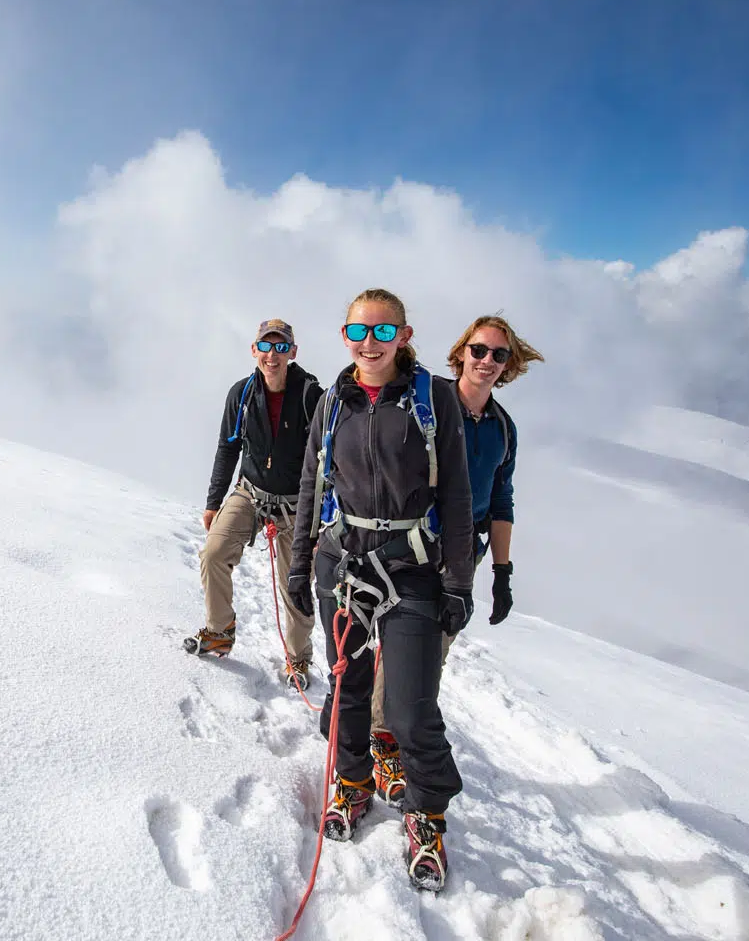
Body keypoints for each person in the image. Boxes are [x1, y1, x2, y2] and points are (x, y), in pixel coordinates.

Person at [286, 289, 474, 892]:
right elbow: (313, 482)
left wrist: (458, 583)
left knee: (409, 706)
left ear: (405, 336)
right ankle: (353, 780)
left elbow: (459, 497)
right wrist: (299, 562)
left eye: (383, 333)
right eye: (358, 332)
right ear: (345, 336)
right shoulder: (332, 403)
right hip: (343, 564)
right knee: (347, 689)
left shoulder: (434, 399)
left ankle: (426, 812)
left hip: (413, 567)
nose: (370, 343)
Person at [365, 314, 545, 810]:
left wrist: (502, 573)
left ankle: (389, 736)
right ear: (461, 352)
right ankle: (377, 737)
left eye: (498, 355)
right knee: (399, 649)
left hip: (459, 558)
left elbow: (501, 499)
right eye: (479, 350)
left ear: (509, 366)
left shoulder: (502, 429)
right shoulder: (425, 402)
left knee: (428, 657)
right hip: (404, 544)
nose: (487, 361)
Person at [186, 319, 325, 692]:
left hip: (297, 503)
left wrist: (323, 516)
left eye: (281, 348)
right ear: (254, 350)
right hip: (250, 491)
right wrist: (214, 501)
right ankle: (218, 631)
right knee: (214, 552)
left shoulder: (312, 395)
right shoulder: (243, 393)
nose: (272, 355)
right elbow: (227, 447)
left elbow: (329, 461)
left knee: (295, 583)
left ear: (293, 353)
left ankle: (298, 659)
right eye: (266, 346)